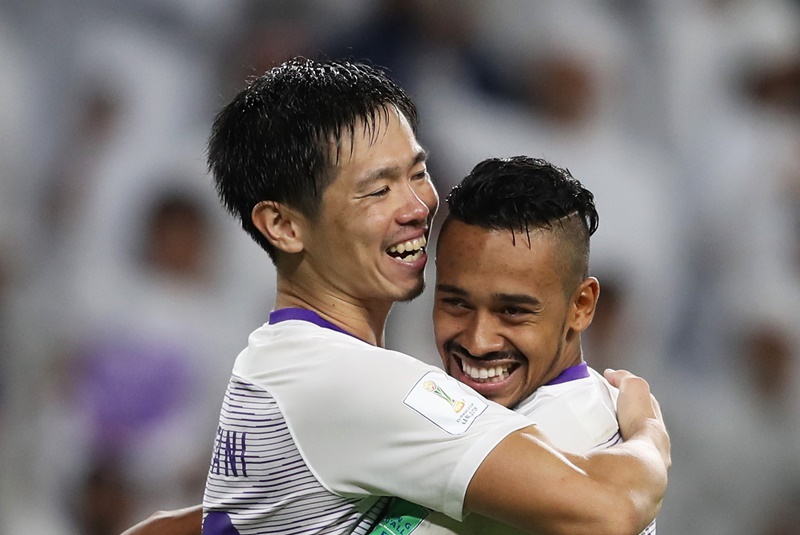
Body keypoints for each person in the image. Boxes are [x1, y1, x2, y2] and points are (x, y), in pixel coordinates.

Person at [121, 57, 669, 535]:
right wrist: (648, 432)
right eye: (379, 189)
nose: (417, 206)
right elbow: (609, 508)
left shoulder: (278, 363)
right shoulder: (365, 386)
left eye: (418, 173)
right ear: (284, 226)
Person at [369, 155, 656, 534]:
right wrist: (649, 437)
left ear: (581, 306)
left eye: (513, 311)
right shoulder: (488, 417)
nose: (478, 341)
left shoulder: (567, 445)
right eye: (457, 303)